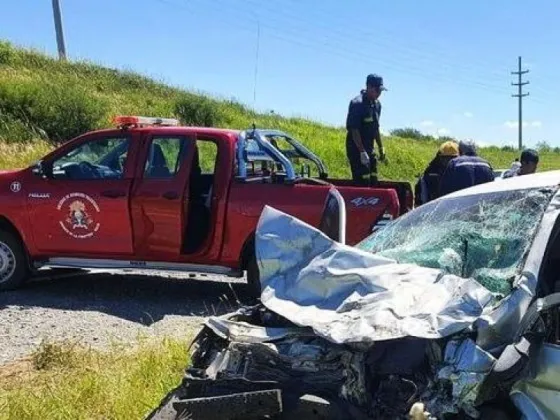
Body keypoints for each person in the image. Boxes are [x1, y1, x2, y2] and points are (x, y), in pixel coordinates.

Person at [345, 74, 387, 185]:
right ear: (368, 87)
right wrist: (362, 152)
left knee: (373, 178)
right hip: (356, 148)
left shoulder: (377, 105)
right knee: (362, 179)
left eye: (380, 91)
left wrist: (380, 147)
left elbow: (376, 128)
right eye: (377, 90)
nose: (379, 94)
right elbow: (354, 130)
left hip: (369, 147)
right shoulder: (357, 104)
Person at [414, 141, 459, 206]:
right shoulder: (429, 174)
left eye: (451, 158)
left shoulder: (430, 171)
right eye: (446, 158)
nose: (448, 161)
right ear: (440, 158)